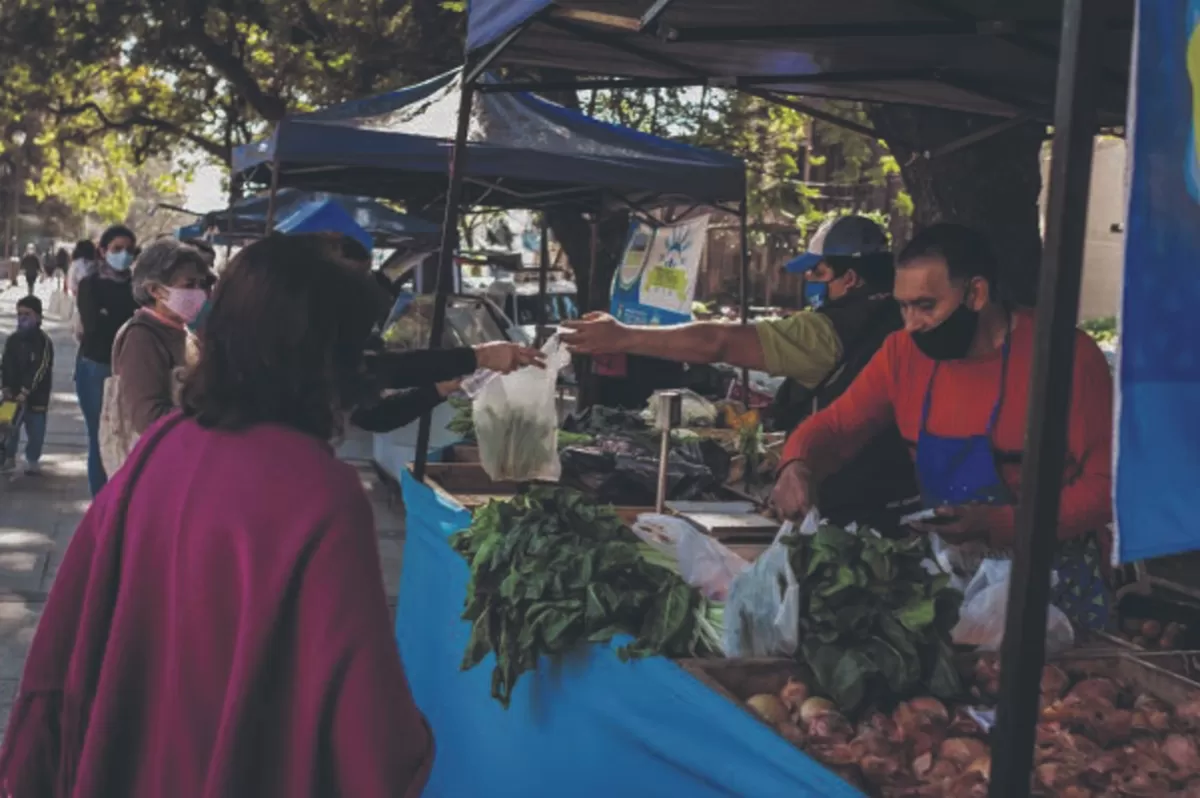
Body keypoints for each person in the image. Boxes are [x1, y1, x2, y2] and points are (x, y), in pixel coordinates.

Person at [0, 233, 435, 797]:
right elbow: (371, 735)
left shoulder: (166, 446)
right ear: (328, 356)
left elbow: (65, 637)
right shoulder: (321, 494)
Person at [772, 223, 1115, 631]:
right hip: (952, 571)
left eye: (925, 306)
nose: (912, 323)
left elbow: (1105, 486)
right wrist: (797, 462)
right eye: (903, 307)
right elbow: (837, 426)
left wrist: (999, 524)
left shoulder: (1065, 357)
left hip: (1054, 581)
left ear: (976, 294)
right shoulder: (902, 354)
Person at [563, 215, 918, 530]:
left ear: (851, 277)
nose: (809, 280)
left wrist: (623, 336)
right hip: (903, 496)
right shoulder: (900, 321)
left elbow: (718, 342)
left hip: (847, 507)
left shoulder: (828, 331)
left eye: (818, 272)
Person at [108, 239, 210, 450]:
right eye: (189, 285)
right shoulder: (142, 337)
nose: (199, 293)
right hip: (160, 460)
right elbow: (148, 418)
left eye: (201, 285)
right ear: (155, 290)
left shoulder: (185, 333)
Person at [75, 224, 138, 496]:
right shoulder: (90, 284)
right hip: (95, 367)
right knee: (99, 437)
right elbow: (94, 330)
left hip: (130, 369)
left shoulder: (138, 287)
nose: (123, 255)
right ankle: (100, 502)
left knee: (125, 438)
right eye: (116, 249)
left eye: (128, 250)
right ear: (102, 251)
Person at [1, 296, 53, 475]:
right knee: (6, 426)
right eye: (19, 314)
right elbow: (5, 364)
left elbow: (40, 367)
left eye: (27, 314)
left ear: (38, 317)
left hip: (36, 397)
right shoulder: (13, 340)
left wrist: (26, 389)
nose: (22, 318)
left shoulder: (44, 342)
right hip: (11, 396)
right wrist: (5, 387)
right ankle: (7, 457)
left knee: (36, 432)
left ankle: (32, 458)